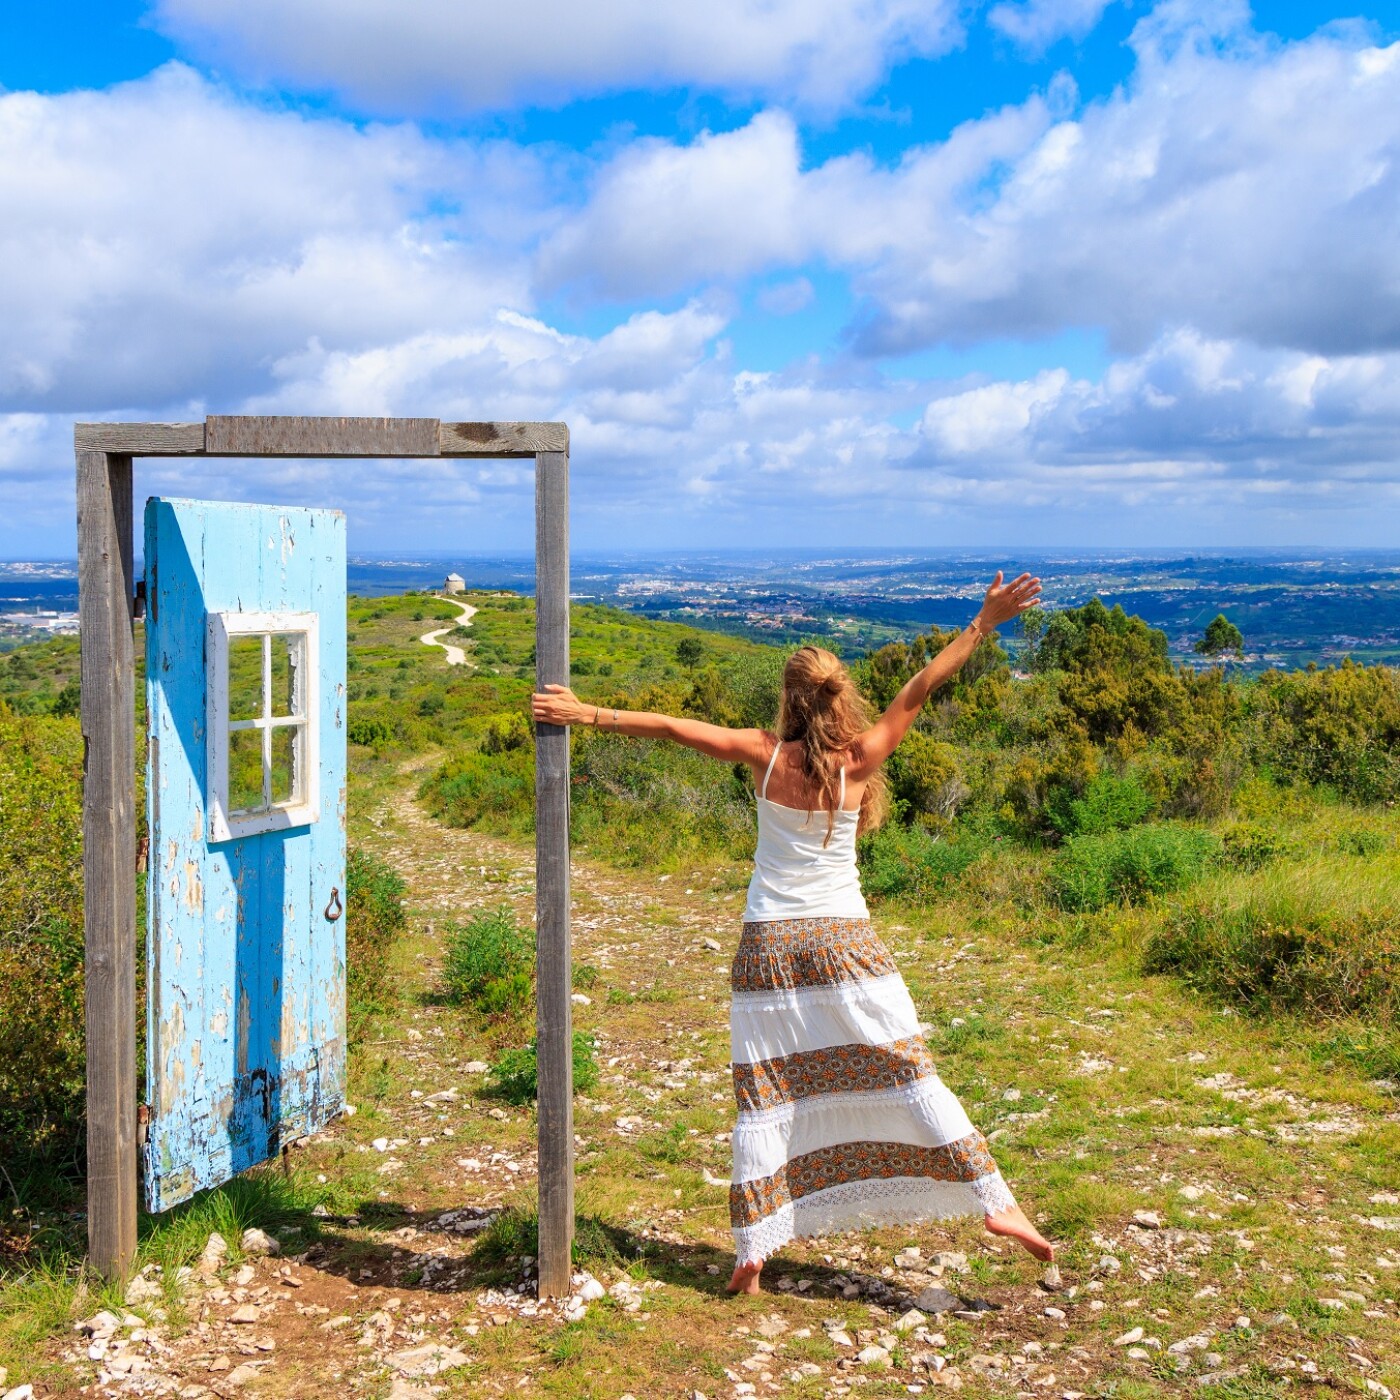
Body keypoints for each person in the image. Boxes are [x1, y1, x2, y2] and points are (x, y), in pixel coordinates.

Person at [531, 570, 1054, 1296]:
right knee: (908, 1069)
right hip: (846, 943)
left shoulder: (763, 752)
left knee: (766, 1093)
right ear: (840, 697)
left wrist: (583, 713)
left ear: (788, 697)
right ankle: (998, 1204)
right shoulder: (858, 762)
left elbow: (670, 729)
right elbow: (921, 687)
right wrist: (982, 622)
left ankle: (753, 1248)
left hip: (770, 945)